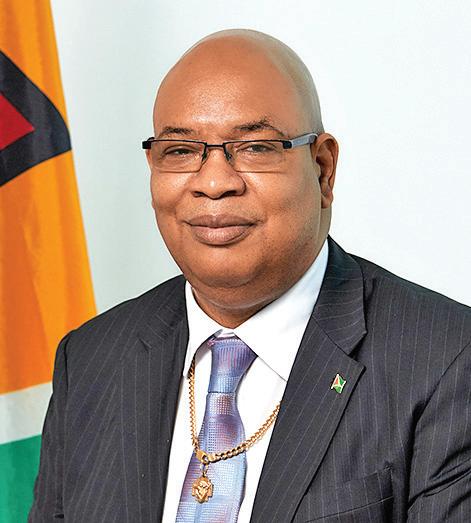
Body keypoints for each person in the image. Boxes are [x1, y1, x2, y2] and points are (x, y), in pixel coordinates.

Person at [29, 29, 471, 522]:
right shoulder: (90, 359)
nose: (214, 183)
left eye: (256, 147)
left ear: (323, 169)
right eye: (180, 151)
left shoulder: (448, 361)